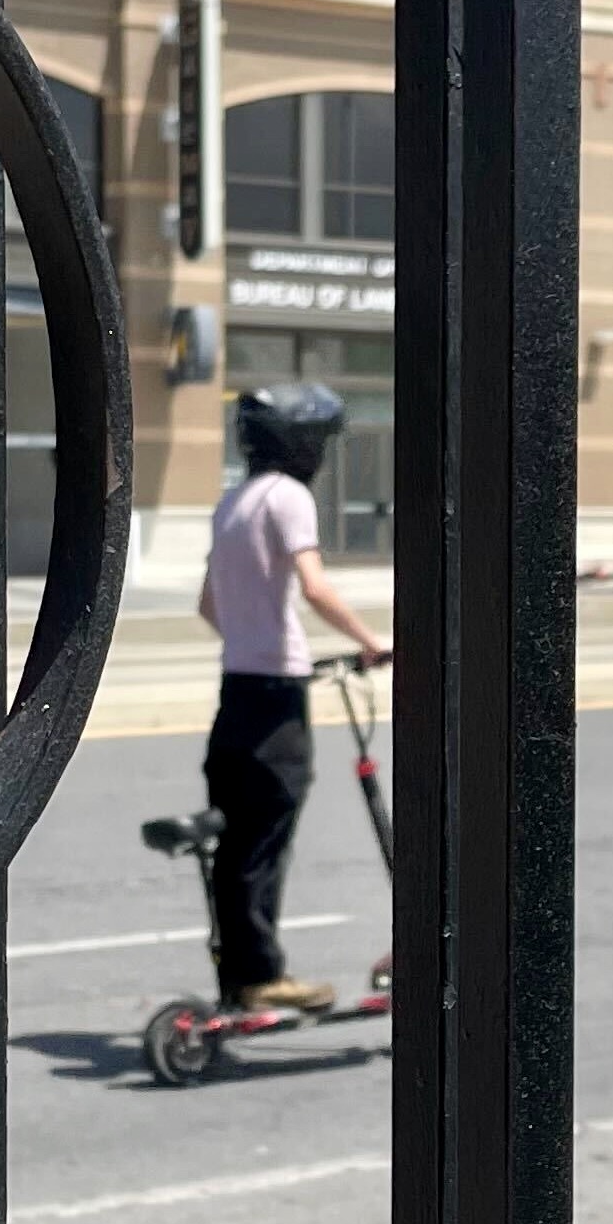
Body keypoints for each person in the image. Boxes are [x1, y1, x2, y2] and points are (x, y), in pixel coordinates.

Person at [194, 383, 388, 1011]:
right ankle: (261, 977)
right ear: (302, 445)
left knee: (238, 839)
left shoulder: (232, 502)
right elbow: (315, 588)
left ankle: (239, 976)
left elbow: (208, 605)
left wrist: (258, 645)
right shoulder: (289, 498)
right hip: (274, 703)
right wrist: (371, 641)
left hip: (236, 694)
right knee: (266, 834)